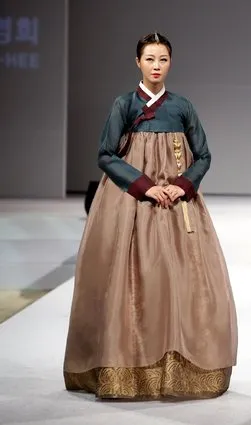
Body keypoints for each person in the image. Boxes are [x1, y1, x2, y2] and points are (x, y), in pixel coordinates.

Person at [63, 32, 238, 400]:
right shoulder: (124, 105)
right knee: (131, 280)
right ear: (137, 62)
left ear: (170, 63)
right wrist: (144, 185)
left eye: (163, 60)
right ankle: (125, 364)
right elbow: (106, 154)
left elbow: (203, 154)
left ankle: (179, 366)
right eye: (150, 59)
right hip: (132, 201)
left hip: (177, 204)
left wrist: (182, 185)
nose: (156, 66)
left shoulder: (183, 107)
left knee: (181, 278)